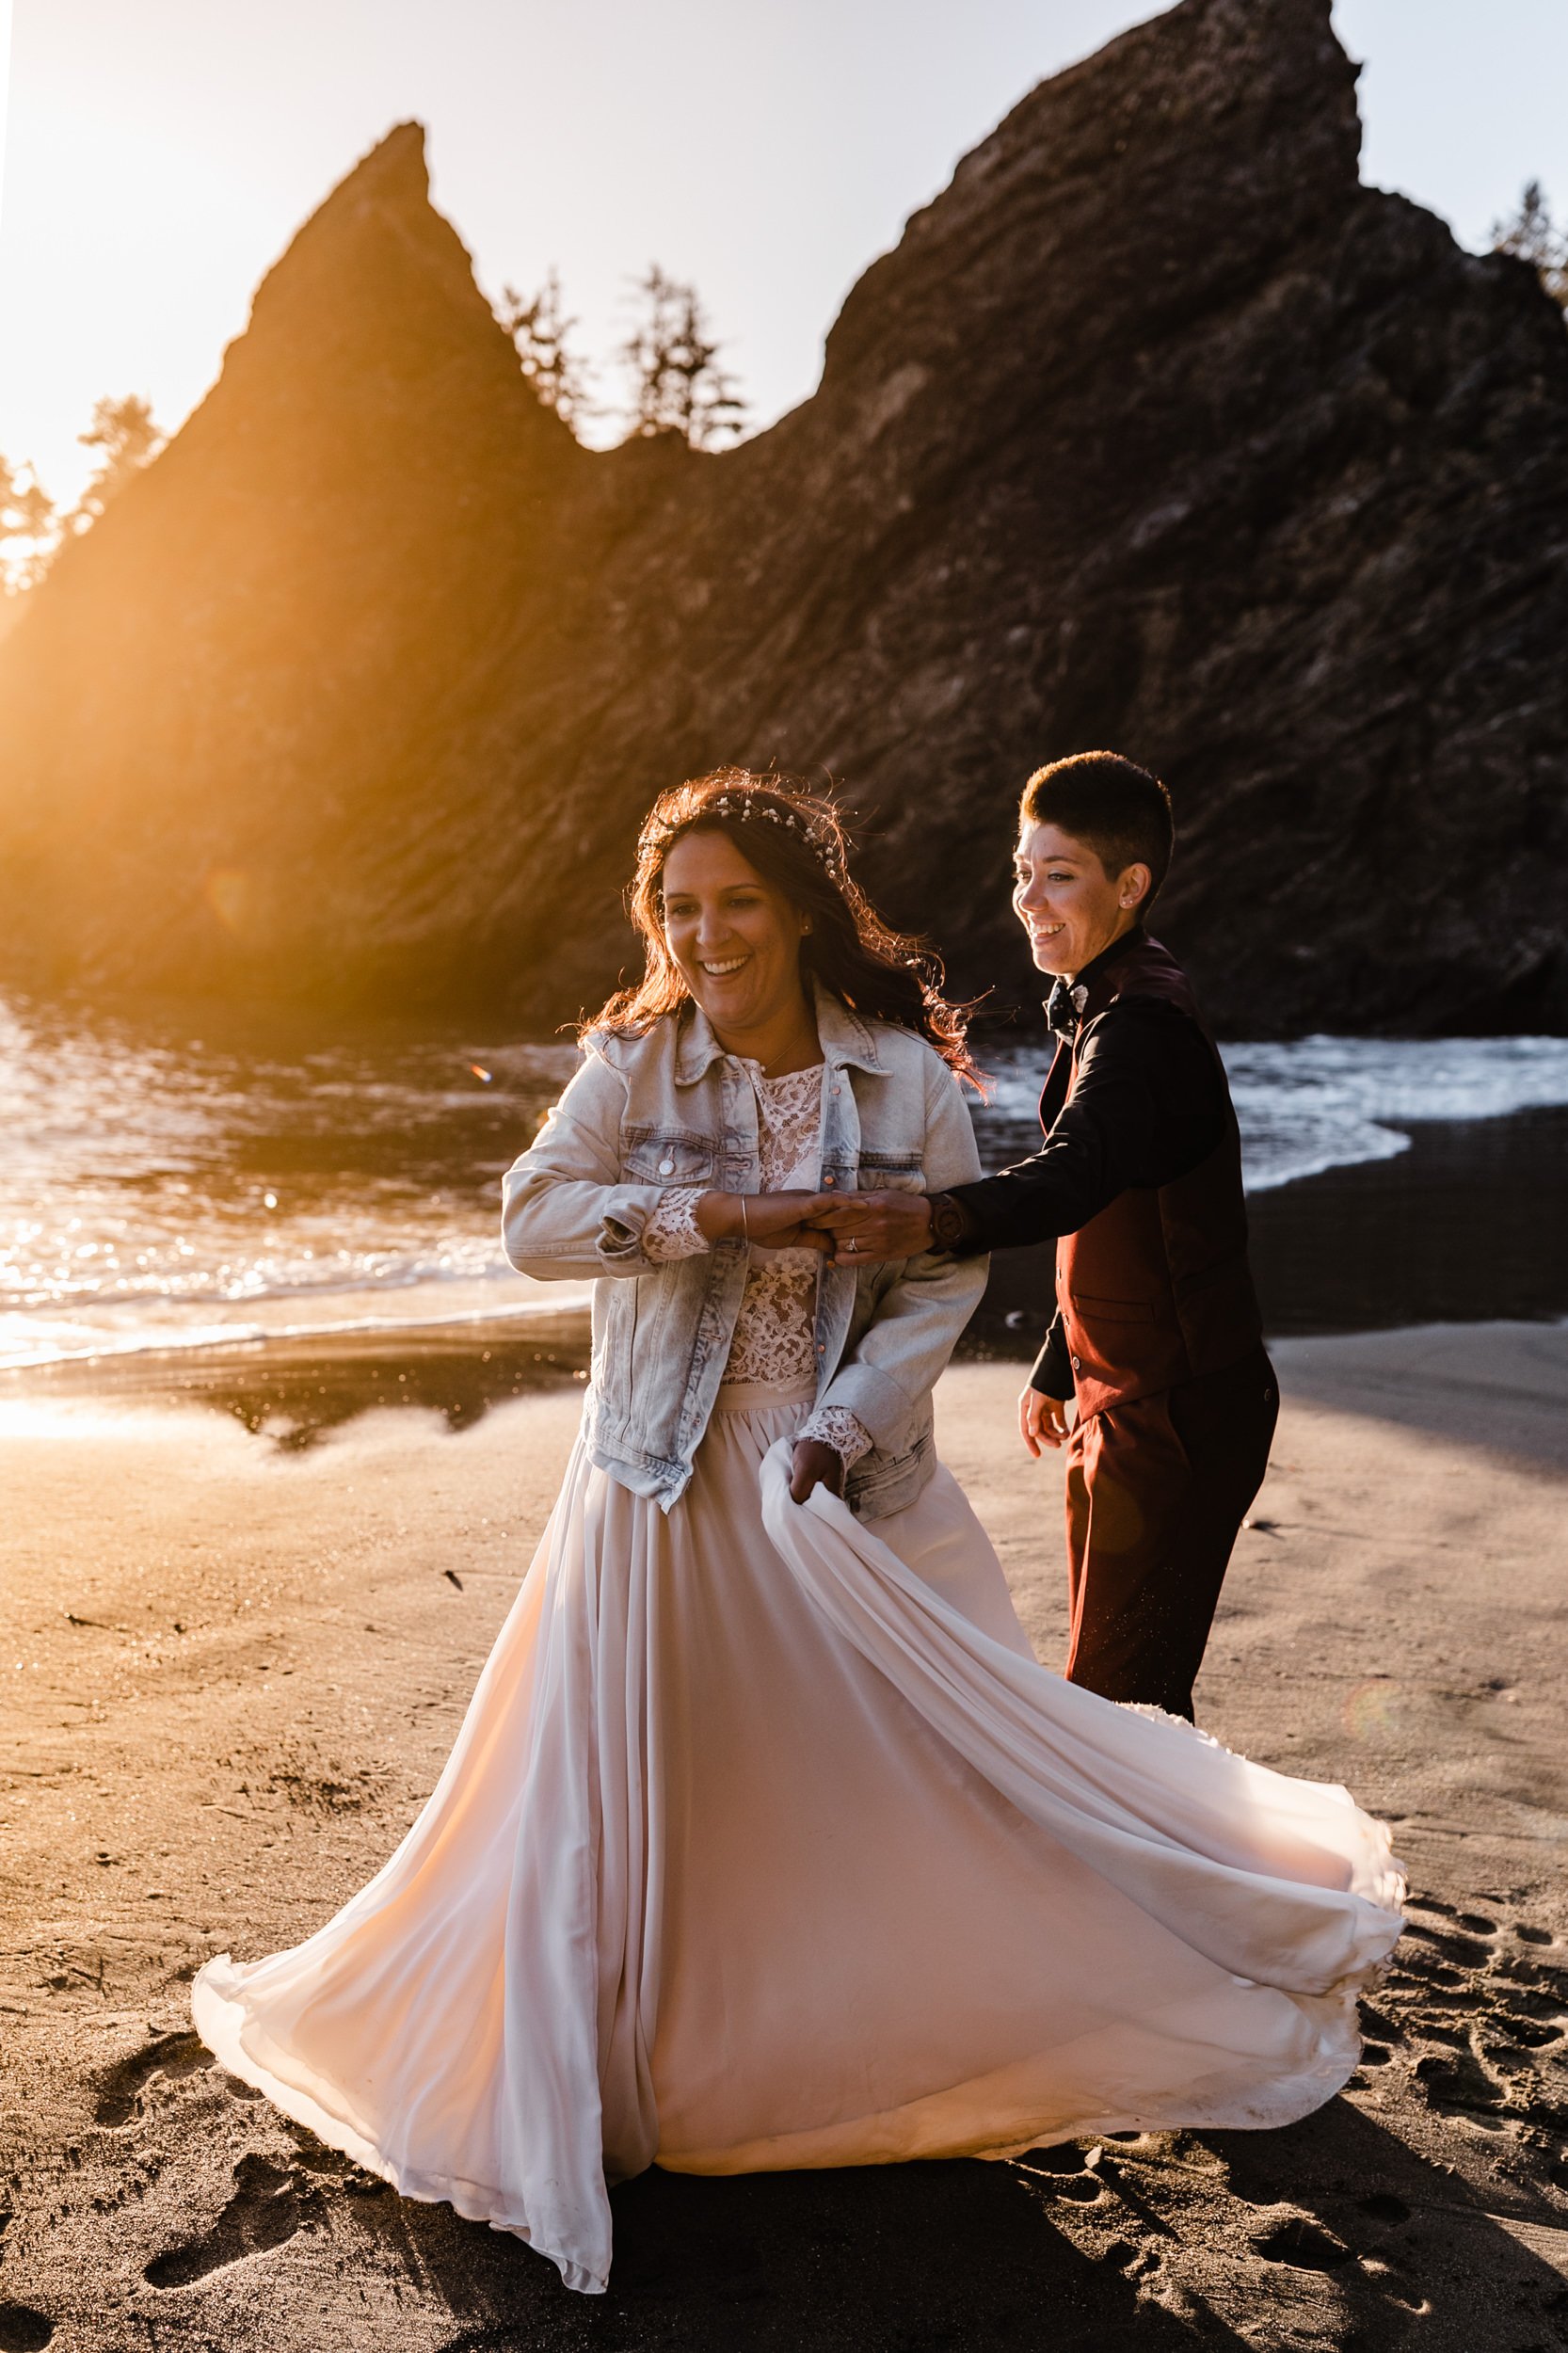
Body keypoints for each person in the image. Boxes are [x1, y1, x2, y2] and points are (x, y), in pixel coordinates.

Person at [191, 768, 1400, 2298]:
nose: (708, 937)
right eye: (679, 911)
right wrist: (710, 1219)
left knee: (907, 1789)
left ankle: (892, 2044)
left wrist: (839, 1429)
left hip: (840, 1484)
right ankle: (666, 2071)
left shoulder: (900, 1077)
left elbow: (935, 1289)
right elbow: (529, 1219)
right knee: (649, 1800)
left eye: (736, 904)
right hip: (650, 1484)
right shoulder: (630, 1067)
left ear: (797, 910)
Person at [808, 749, 1276, 1724]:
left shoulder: (1139, 1021)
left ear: (1130, 884)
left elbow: (1074, 1174)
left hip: (1178, 1412)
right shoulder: (1105, 998)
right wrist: (1061, 1361)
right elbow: (1122, 1198)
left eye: (1059, 876)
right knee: (1122, 1697)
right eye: (1022, 871)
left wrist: (934, 1215)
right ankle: (1165, 1869)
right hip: (1128, 1396)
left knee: (1120, 1704)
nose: (1029, 899)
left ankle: (1197, 1875)